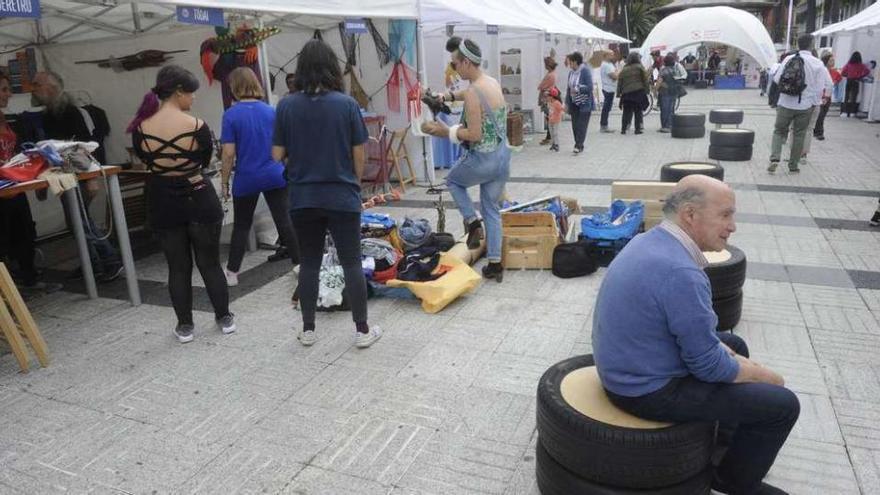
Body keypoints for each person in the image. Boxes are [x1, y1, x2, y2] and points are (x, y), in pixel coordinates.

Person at [593, 175, 799, 495]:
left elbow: (705, 344)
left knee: (735, 344)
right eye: (725, 214)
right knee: (782, 405)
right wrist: (765, 375)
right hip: (642, 390)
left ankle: (724, 448)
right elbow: (709, 367)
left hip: (626, 365)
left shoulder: (649, 240)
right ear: (690, 214)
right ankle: (730, 483)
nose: (733, 226)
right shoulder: (681, 272)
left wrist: (730, 357)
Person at [272, 39, 382, 348]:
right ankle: (362, 331)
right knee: (351, 262)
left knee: (308, 262)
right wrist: (353, 184)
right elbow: (359, 154)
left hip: (303, 197)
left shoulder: (286, 105)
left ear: (301, 69)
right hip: (342, 195)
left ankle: (308, 329)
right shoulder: (346, 105)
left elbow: (276, 154)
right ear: (332, 67)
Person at [129, 65, 235, 343]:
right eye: (191, 93)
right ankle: (224, 317)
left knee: (177, 266)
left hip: (162, 197)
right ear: (178, 92)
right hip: (197, 193)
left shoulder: (141, 129)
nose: (194, 98)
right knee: (209, 263)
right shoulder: (197, 126)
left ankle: (185, 325)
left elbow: (146, 160)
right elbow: (202, 161)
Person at [422, 38, 510, 282]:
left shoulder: (473, 92)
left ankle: (472, 223)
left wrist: (444, 131)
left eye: (455, 64)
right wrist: (447, 96)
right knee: (491, 209)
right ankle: (495, 264)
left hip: (483, 159)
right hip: (502, 158)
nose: (454, 69)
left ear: (466, 62)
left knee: (452, 181)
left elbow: (474, 134)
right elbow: (470, 95)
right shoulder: (489, 81)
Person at [29, 71, 123, 283]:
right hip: (63, 175)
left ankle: (110, 260)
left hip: (79, 174)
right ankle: (94, 262)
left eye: (37, 84)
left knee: (80, 221)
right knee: (77, 221)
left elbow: (86, 145)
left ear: (51, 88)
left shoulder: (71, 112)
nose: (32, 88)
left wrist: (91, 178)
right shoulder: (47, 115)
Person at [220, 67, 299, 287]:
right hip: (275, 174)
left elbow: (228, 154)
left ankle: (232, 272)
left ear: (233, 87)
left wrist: (225, 182)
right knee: (284, 220)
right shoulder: (271, 111)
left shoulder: (230, 115)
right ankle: (299, 263)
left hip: (247, 177)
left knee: (242, 225)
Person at [0, 71, 62, 293]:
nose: (8, 94)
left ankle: (30, 281)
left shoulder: (4, 118)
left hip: (14, 187)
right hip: (2, 192)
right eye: (4, 89)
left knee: (25, 235)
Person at [769, 35, 832, 174]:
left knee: (779, 131)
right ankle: (793, 165)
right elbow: (821, 86)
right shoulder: (817, 63)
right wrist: (815, 103)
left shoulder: (788, 59)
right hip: (805, 105)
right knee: (799, 134)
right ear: (812, 45)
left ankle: (774, 158)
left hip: (785, 102)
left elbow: (777, 79)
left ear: (798, 45)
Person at [564, 52, 594, 155]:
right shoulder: (571, 73)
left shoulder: (585, 71)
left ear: (575, 62)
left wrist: (578, 88)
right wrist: (566, 103)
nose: (569, 65)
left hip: (584, 103)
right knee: (575, 126)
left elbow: (590, 87)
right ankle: (579, 144)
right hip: (574, 103)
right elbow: (568, 89)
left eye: (570, 62)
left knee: (581, 125)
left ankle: (578, 145)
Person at [617, 52, 650, 135]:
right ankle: (637, 129)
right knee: (638, 111)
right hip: (638, 92)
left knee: (626, 112)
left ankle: (623, 129)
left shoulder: (624, 69)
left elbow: (620, 82)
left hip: (626, 94)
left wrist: (618, 93)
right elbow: (645, 79)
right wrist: (647, 90)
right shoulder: (640, 67)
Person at [813, 53, 840, 141]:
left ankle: (817, 131)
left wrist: (835, 81)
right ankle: (819, 132)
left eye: (833, 60)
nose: (833, 62)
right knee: (819, 115)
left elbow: (838, 79)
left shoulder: (834, 72)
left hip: (827, 97)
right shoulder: (821, 70)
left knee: (822, 115)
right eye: (831, 60)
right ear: (826, 61)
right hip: (820, 95)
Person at [840, 51, 870, 118]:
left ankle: (844, 112)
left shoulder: (848, 64)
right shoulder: (861, 65)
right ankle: (852, 113)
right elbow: (867, 71)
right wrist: (860, 76)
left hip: (849, 80)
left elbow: (842, 72)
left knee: (846, 96)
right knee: (854, 97)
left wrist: (847, 75)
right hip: (856, 81)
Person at [655, 54, 679, 133]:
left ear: (665, 62)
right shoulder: (676, 70)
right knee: (671, 109)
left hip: (664, 93)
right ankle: (670, 125)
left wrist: (655, 90)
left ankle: (665, 126)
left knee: (664, 110)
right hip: (673, 92)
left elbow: (659, 82)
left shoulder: (663, 70)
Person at [538, 56, 558, 145]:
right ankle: (549, 137)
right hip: (548, 97)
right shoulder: (552, 73)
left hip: (547, 98)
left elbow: (542, 86)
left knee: (549, 118)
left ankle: (550, 137)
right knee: (549, 117)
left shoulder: (550, 75)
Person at [599, 50, 618, 133]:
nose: (612, 56)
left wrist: (616, 72)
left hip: (611, 87)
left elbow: (615, 72)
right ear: (606, 55)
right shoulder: (605, 65)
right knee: (606, 108)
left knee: (608, 107)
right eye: (611, 54)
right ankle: (603, 125)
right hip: (608, 88)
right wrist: (618, 73)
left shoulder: (610, 64)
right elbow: (614, 76)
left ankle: (604, 124)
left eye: (613, 54)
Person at [547, 87, 564, 152]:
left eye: (548, 96)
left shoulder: (557, 103)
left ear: (552, 96)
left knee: (555, 133)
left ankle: (557, 145)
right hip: (550, 120)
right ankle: (553, 144)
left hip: (556, 121)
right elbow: (549, 111)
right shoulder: (549, 102)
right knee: (551, 133)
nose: (547, 97)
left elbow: (562, 109)